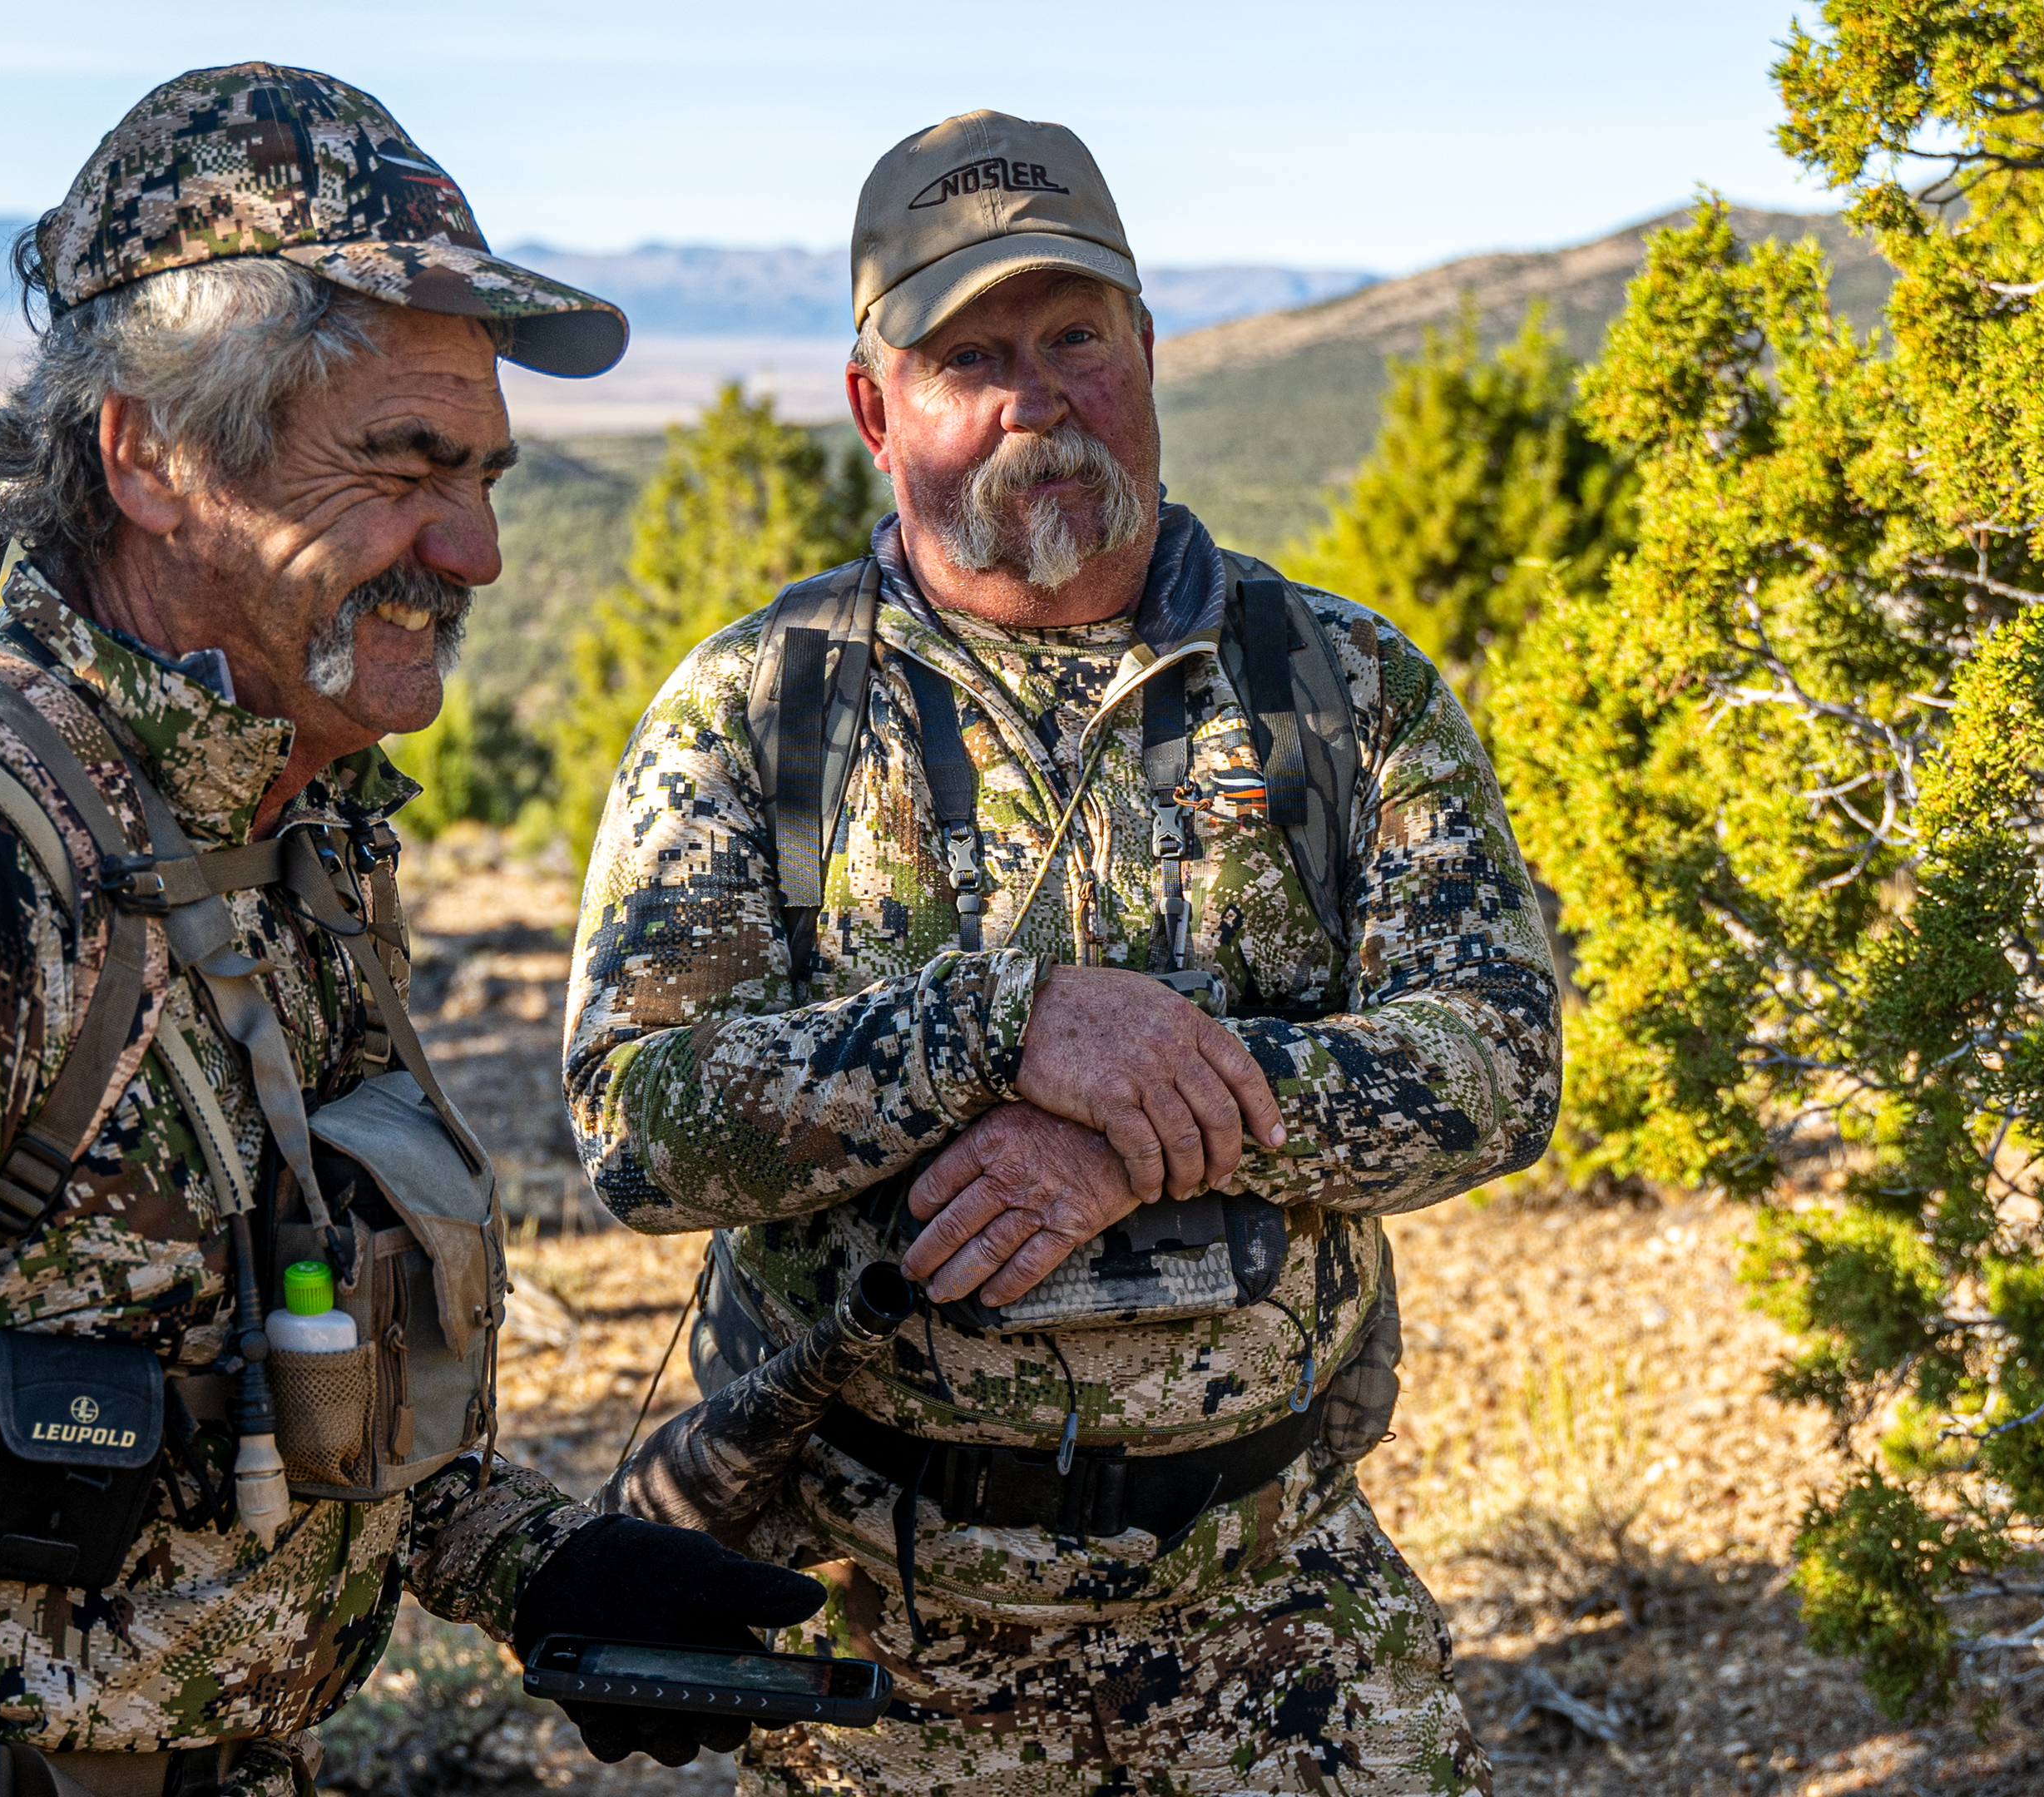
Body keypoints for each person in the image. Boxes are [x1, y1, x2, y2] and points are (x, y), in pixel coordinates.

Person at [0, 65, 819, 1797]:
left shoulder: (270, 835)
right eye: (403, 464)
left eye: (488, 474)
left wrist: (536, 1568)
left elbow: (285, 1348)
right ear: (147, 453)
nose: (476, 547)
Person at [566, 109, 1561, 1795]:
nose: (1038, 394)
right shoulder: (760, 708)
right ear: (879, 409)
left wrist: (1142, 1119)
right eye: (972, 354)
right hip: (882, 1646)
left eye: (1076, 335)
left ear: (1150, 354)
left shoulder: (1340, 686)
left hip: (1277, 1620)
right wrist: (992, 1026)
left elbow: (1499, 1067)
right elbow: (637, 1123)